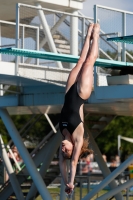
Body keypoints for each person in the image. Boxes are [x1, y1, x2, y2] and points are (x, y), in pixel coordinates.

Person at [59, 23, 100, 195]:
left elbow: (62, 163)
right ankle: (96, 35)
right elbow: (72, 163)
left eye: (63, 151)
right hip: (81, 94)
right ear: (73, 148)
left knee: (80, 61)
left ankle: (88, 33)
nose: (63, 149)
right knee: (90, 61)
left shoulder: (62, 133)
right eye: (66, 151)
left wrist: (63, 180)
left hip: (69, 92)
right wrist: (70, 182)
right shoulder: (77, 137)